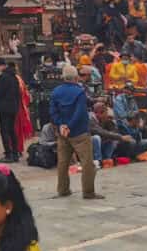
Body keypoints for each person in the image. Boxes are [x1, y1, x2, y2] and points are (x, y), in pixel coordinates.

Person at [49, 65, 101, 200]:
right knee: (87, 163)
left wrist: (62, 125)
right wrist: (70, 126)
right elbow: (80, 112)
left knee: (63, 163)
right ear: (76, 77)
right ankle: (88, 192)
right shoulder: (79, 92)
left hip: (62, 133)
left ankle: (63, 190)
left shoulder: (56, 92)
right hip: (79, 132)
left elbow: (53, 112)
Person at [0, 59, 21, 164]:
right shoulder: (14, 76)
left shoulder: (3, 77)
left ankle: (8, 154)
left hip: (4, 107)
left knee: (4, 131)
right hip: (13, 107)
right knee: (11, 130)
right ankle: (15, 153)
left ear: (1, 66)